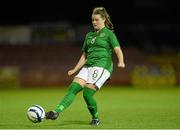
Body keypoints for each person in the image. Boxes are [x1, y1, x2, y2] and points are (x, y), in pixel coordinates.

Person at [45, 6, 125, 126]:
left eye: (96, 19)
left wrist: (121, 61)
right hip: (88, 67)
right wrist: (75, 69)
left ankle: (95, 118)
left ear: (104, 20)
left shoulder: (109, 34)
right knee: (73, 88)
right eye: (92, 20)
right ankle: (56, 111)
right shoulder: (89, 35)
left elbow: (117, 49)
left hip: (102, 66)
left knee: (87, 94)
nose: (94, 22)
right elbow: (84, 55)